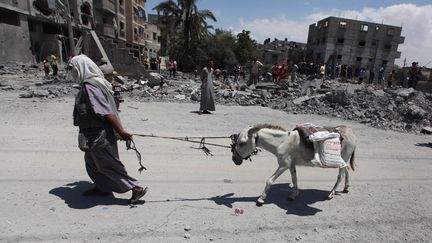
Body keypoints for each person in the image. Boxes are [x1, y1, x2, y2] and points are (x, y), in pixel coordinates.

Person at [71, 55, 147, 204]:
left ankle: (135, 188)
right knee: (92, 162)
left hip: (99, 133)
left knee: (106, 163)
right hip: (92, 132)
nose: (72, 72)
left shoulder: (90, 85)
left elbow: (104, 111)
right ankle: (102, 187)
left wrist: (121, 131)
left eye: (72, 68)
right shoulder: (99, 81)